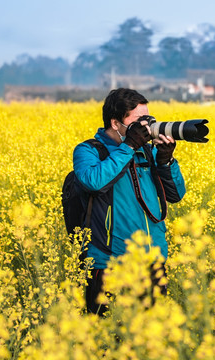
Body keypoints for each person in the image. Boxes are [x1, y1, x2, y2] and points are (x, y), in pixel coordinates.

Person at [73, 88, 186, 315]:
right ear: (116, 123)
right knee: (106, 339)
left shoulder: (147, 152)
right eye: (138, 121)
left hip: (152, 261)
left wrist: (166, 161)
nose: (146, 127)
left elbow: (175, 195)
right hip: (109, 262)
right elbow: (94, 182)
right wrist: (128, 147)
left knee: (150, 341)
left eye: (148, 120)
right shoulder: (89, 151)